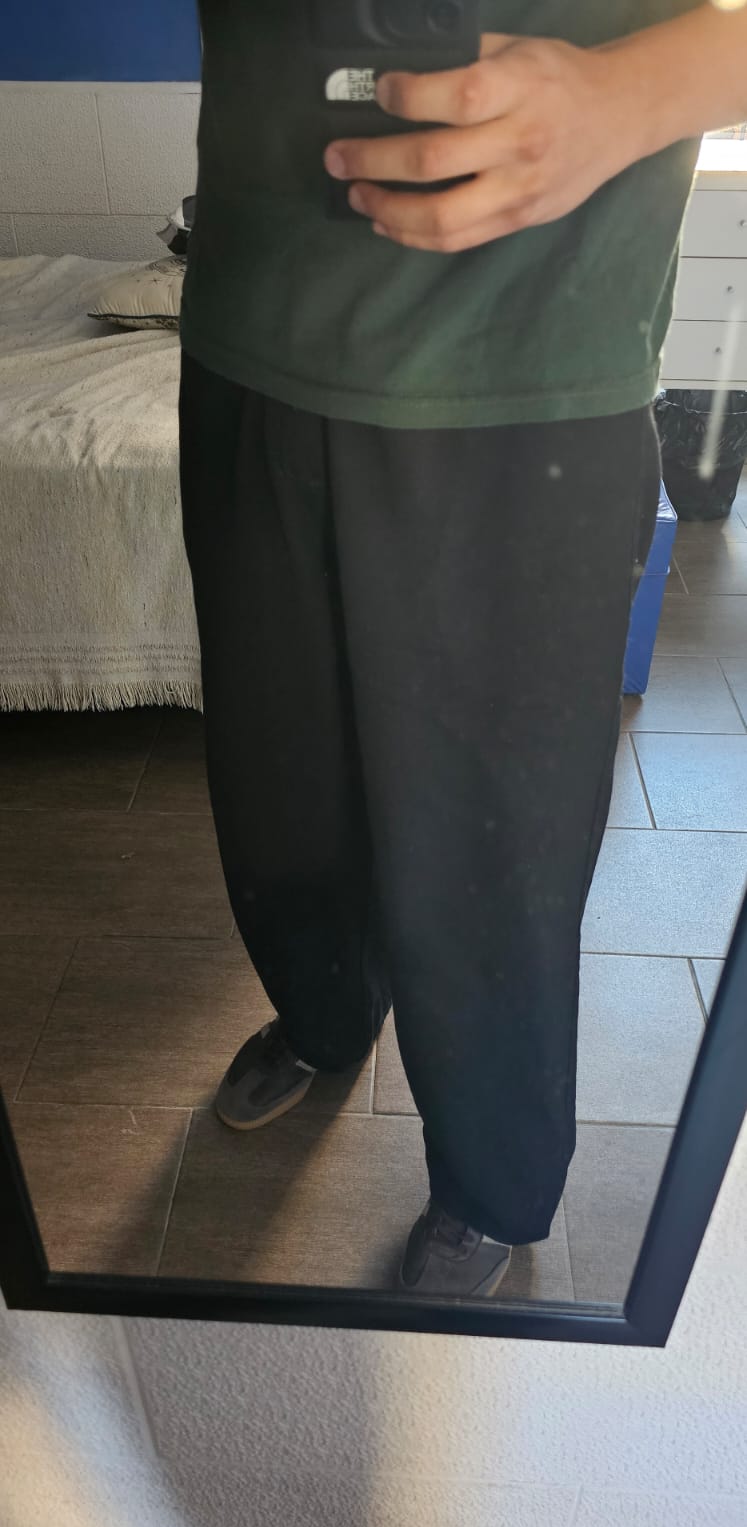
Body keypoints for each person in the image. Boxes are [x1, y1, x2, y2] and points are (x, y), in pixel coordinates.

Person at [178, 1, 747, 1297]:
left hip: (529, 362)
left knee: (497, 850)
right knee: (276, 790)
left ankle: (493, 1179)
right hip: (252, 333)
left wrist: (646, 90)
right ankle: (324, 1014)